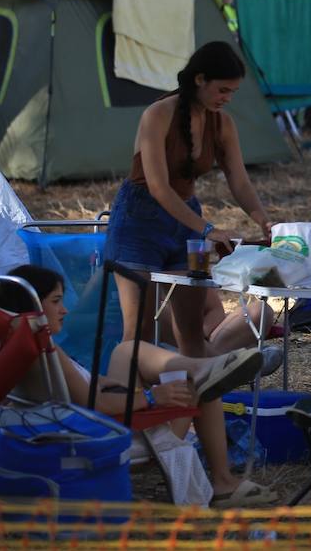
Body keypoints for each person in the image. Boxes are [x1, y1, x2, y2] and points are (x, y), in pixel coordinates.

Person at [0, 264, 276, 508]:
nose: (64, 309)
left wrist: (124, 389)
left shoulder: (20, 342)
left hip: (96, 416)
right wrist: (153, 397)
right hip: (113, 431)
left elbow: (88, 392)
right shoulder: (45, 348)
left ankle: (204, 367)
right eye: (56, 301)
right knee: (199, 388)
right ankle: (223, 482)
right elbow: (97, 405)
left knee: (127, 351)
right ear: (33, 310)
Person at [103, 41, 276, 361]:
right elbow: (158, 186)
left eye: (233, 92)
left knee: (190, 330)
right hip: (138, 221)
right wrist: (207, 229)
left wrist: (262, 219)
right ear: (200, 80)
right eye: (222, 90)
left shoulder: (221, 122)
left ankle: (202, 393)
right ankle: (132, 402)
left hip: (184, 220)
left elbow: (238, 179)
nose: (227, 98)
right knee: (139, 330)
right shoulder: (158, 114)